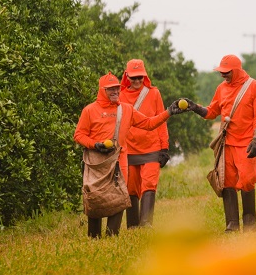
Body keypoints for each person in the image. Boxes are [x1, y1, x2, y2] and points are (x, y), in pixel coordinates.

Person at [75, 72, 185, 238]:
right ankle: (94, 238)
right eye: (110, 89)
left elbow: (149, 124)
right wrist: (95, 145)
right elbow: (79, 135)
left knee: (119, 195)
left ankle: (112, 236)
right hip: (96, 161)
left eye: (117, 88)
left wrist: (169, 111)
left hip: (119, 159)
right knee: (95, 196)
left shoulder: (126, 110)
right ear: (101, 90)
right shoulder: (89, 110)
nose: (115, 92)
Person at [185, 54, 256, 232]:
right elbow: (212, 112)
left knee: (247, 180)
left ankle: (250, 224)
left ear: (236, 71)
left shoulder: (254, 87)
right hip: (226, 142)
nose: (223, 75)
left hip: (246, 143)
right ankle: (232, 224)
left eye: (226, 72)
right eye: (221, 72)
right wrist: (195, 107)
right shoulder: (221, 88)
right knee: (226, 181)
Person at [119, 58, 169, 228]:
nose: (137, 81)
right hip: (129, 149)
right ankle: (133, 226)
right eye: (134, 78)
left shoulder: (154, 93)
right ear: (127, 77)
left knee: (149, 184)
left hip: (152, 147)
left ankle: (146, 223)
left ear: (145, 76)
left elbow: (161, 120)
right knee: (131, 187)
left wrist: (164, 147)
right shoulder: (120, 95)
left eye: (140, 77)